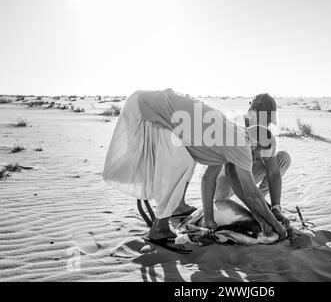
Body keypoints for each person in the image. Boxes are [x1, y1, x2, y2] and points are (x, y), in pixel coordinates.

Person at [103, 89, 286, 253]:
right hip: (147, 109)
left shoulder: (233, 136)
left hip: (146, 105)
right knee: (181, 163)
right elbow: (251, 193)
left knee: (182, 160)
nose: (256, 160)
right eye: (258, 155)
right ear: (255, 145)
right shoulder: (241, 145)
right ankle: (160, 228)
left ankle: (161, 223)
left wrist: (209, 218)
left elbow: (209, 179)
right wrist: (276, 225)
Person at [215, 94, 291, 228]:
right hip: (223, 177)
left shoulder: (265, 134)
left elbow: (273, 173)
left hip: (246, 173)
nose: (266, 125)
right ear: (252, 113)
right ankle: (254, 200)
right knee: (221, 204)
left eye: (268, 121)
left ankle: (258, 197)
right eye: (263, 120)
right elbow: (231, 174)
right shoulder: (235, 127)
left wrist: (275, 208)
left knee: (283, 158)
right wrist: (256, 211)